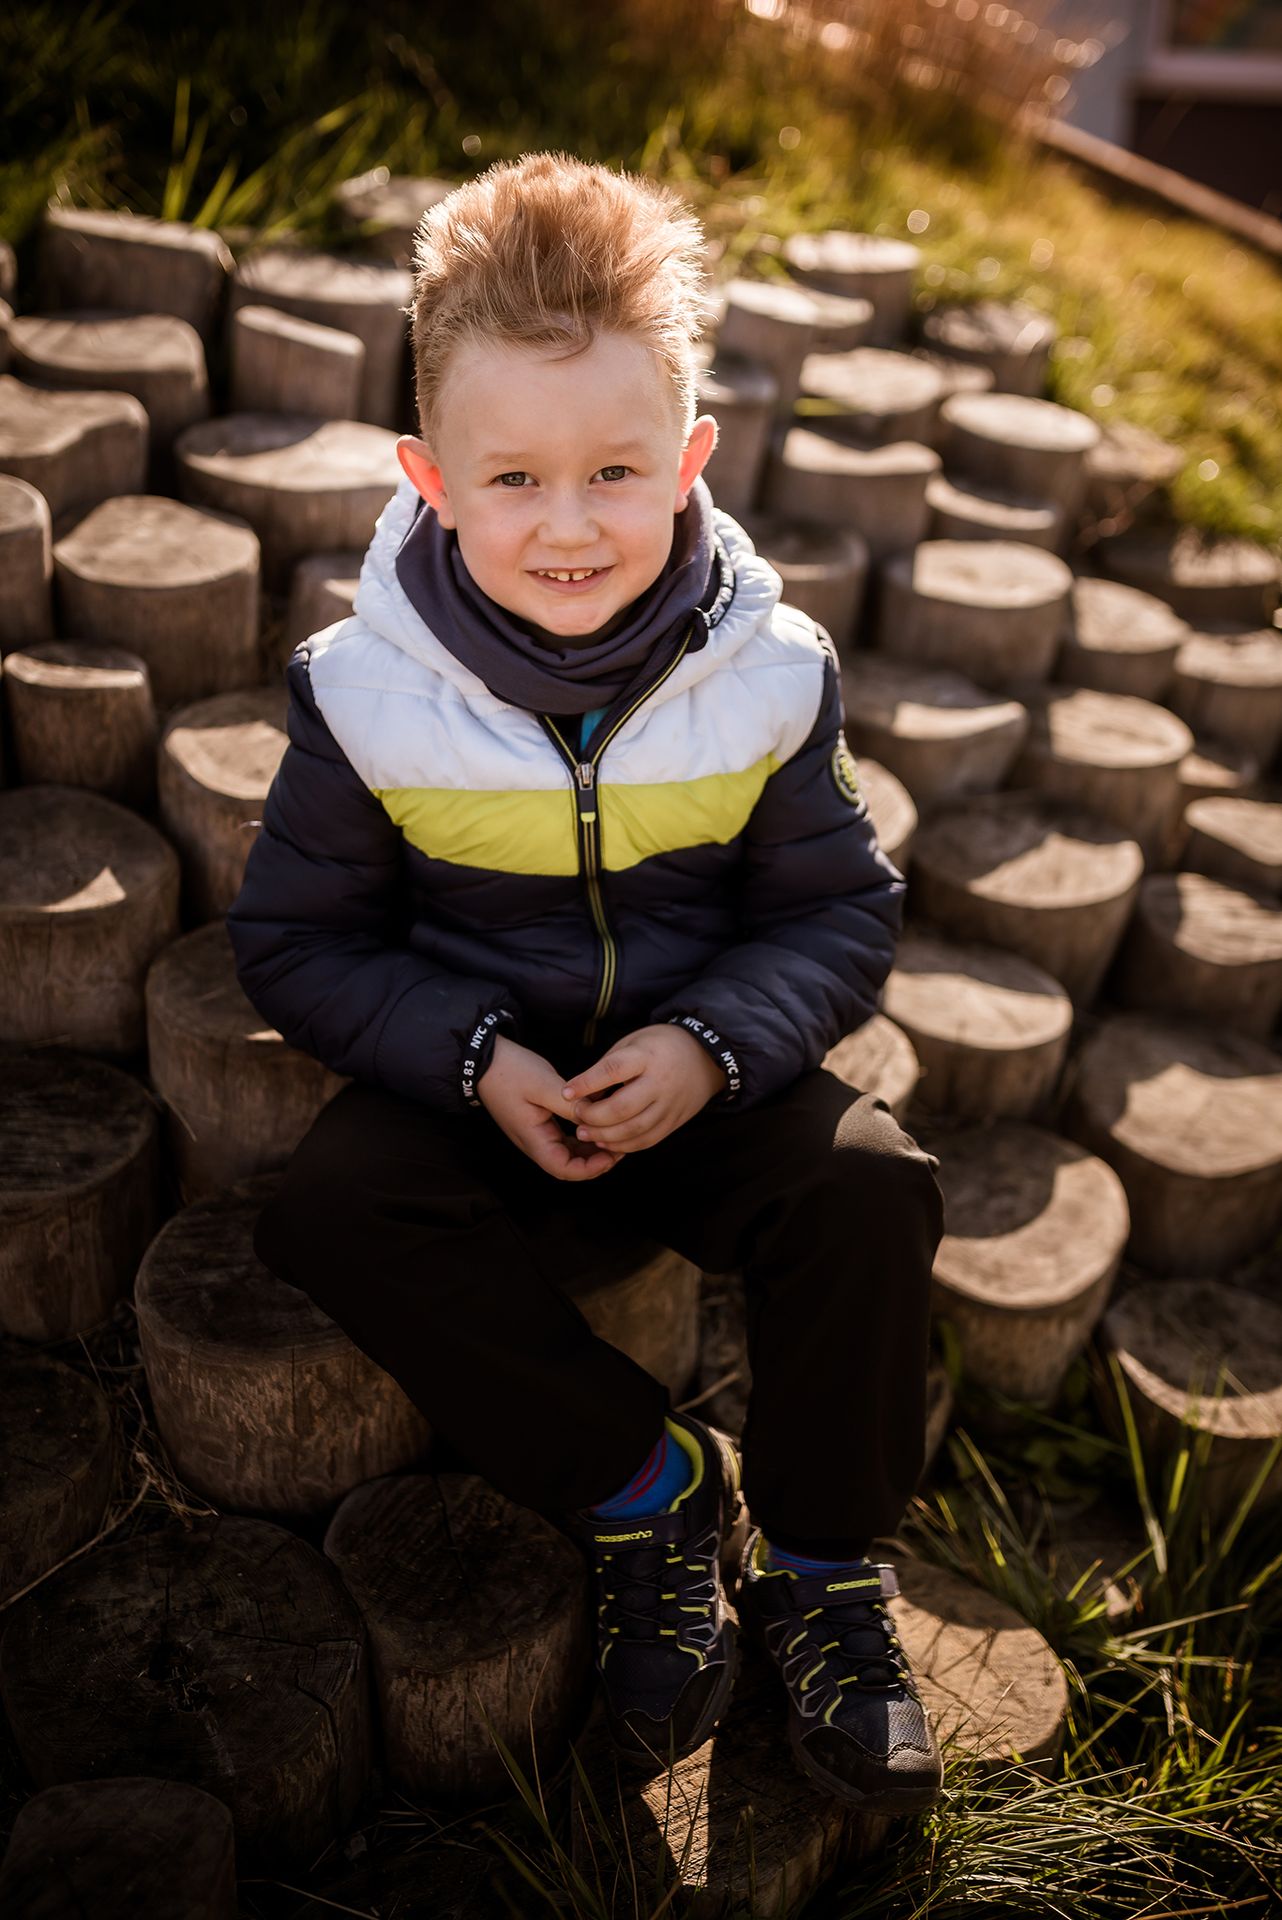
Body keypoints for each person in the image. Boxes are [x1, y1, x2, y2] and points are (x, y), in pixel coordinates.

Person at [227, 150, 947, 1813]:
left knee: (871, 1187)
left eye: (616, 471)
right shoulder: (366, 691)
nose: (569, 525)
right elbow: (296, 942)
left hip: (699, 1081)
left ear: (691, 459)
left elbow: (839, 913)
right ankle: (645, 1483)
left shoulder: (768, 675)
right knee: (327, 1209)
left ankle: (824, 1569)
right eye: (515, 479)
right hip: (485, 1080)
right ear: (431, 480)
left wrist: (709, 1045)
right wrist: (473, 1058)